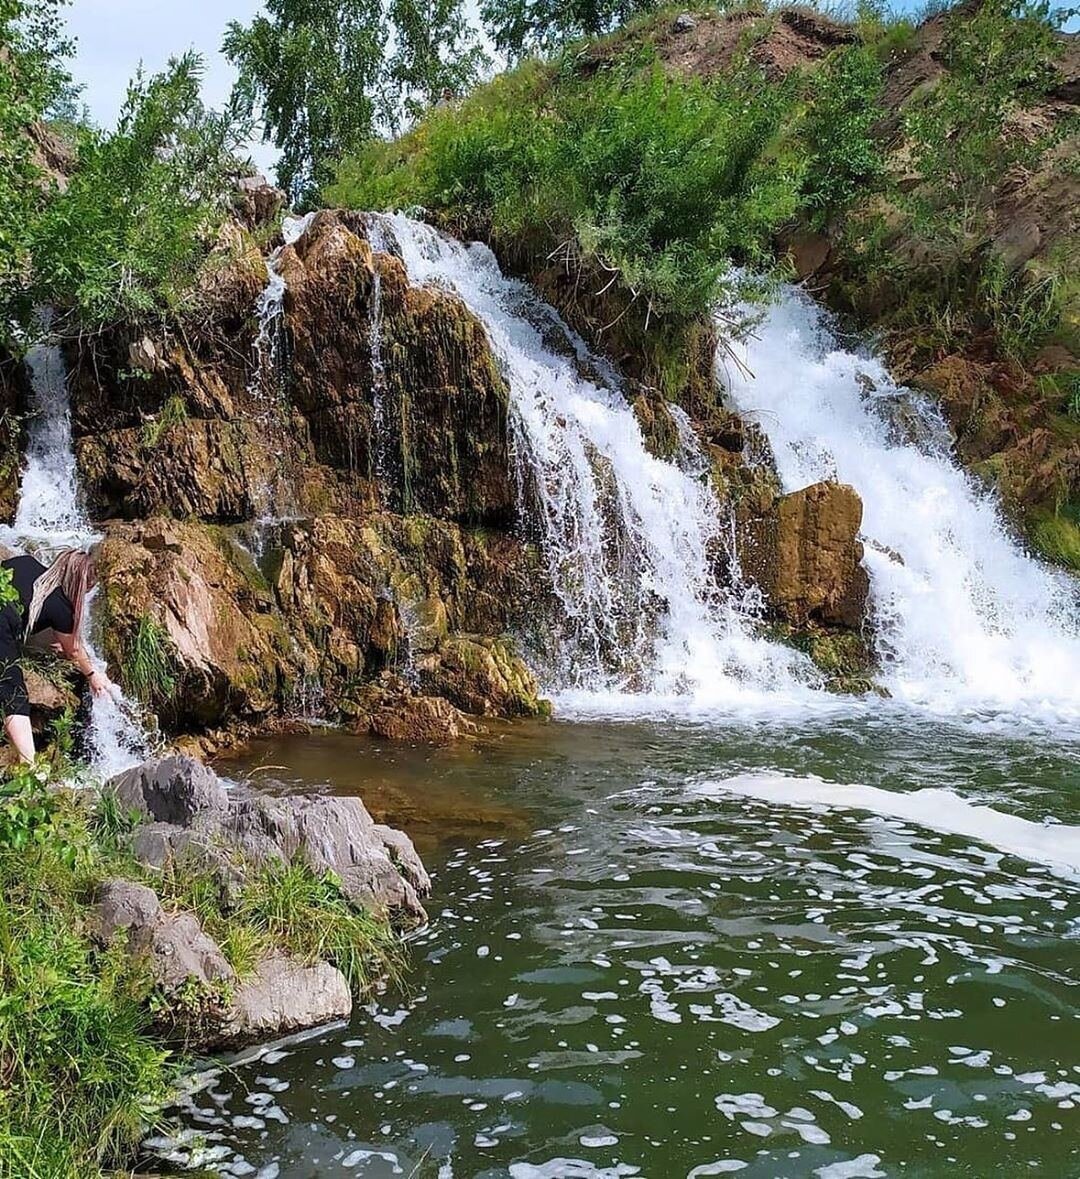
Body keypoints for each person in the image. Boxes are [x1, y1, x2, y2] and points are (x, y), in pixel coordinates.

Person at [0, 548, 115, 762]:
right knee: (13, 692)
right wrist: (93, 675)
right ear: (80, 584)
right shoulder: (62, 606)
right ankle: (29, 766)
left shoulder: (27, 562)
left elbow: (27, 610)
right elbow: (73, 650)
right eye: (88, 588)